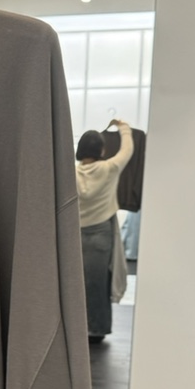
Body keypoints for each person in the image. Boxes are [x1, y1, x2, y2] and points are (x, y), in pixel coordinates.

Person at [75, 119, 133, 342]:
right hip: (101, 233)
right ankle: (96, 330)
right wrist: (123, 127)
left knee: (75, 283)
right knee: (98, 284)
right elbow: (127, 150)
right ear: (101, 150)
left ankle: (76, 328)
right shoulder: (109, 169)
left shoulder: (71, 174)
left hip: (75, 234)